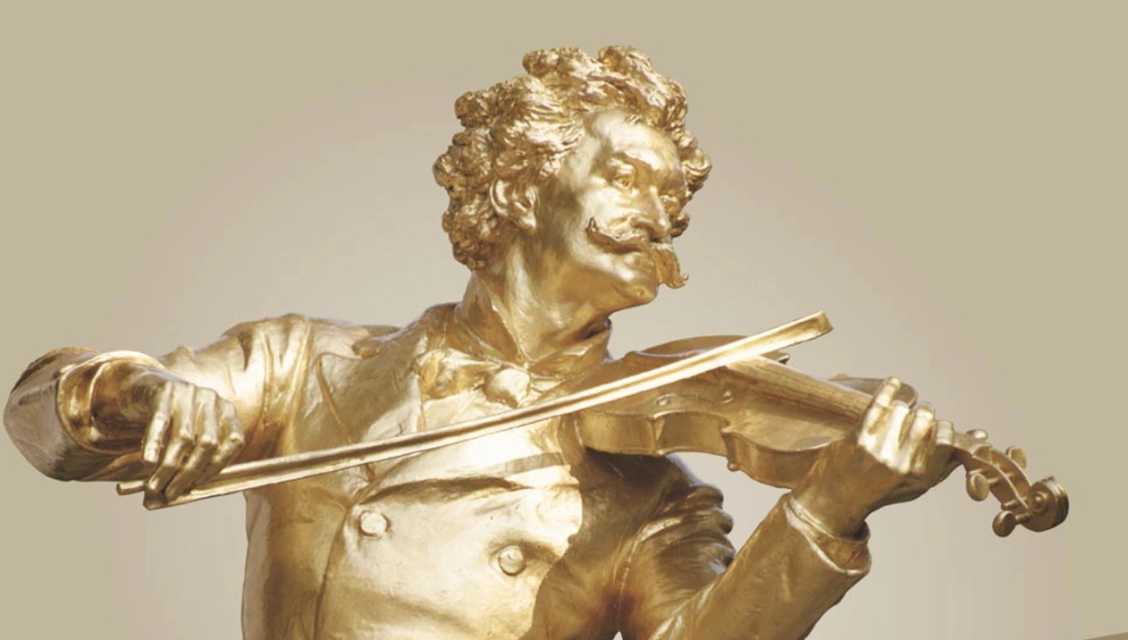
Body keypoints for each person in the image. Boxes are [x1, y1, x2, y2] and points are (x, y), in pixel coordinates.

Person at [4, 46, 955, 640]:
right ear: (517, 185)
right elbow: (39, 421)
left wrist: (828, 507)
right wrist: (141, 397)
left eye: (674, 201)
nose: (660, 219)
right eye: (629, 179)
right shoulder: (301, 366)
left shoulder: (651, 498)